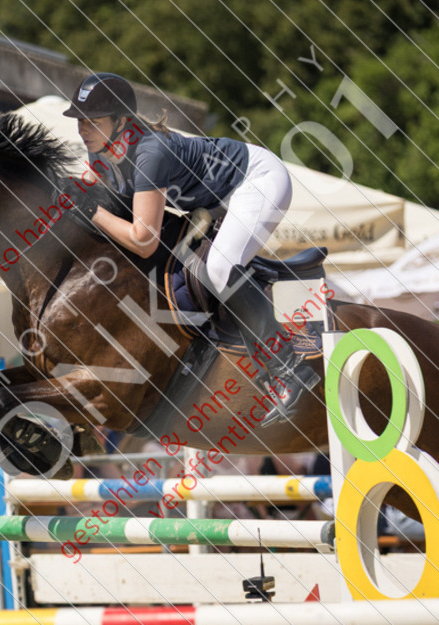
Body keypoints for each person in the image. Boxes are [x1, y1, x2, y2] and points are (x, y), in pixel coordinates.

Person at [63, 72, 319, 424]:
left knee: (218, 268)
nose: (83, 129)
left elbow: (141, 238)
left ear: (121, 121)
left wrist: (90, 209)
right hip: (215, 202)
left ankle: (289, 367)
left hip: (256, 181)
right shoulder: (101, 157)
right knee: (193, 266)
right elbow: (102, 209)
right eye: (79, 120)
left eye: (93, 121)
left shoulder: (149, 153)